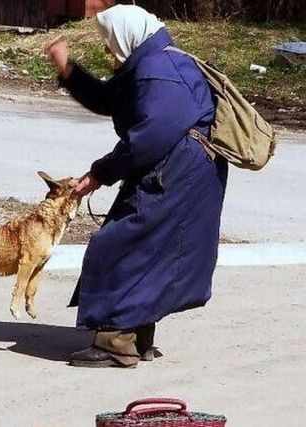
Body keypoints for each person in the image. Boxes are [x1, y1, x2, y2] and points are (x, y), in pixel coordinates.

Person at [46, 4, 228, 368]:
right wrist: (67, 70)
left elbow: (151, 135)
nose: (107, 50)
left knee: (119, 244)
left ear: (126, 36)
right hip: (178, 169)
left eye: (108, 42)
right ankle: (137, 337)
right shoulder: (149, 63)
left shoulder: (158, 71)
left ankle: (116, 341)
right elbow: (107, 99)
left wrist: (101, 172)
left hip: (177, 171)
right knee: (152, 250)